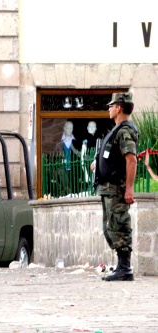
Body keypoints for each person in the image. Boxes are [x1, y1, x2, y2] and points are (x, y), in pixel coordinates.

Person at [93, 92, 138, 282]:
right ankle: (121, 267)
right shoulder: (118, 130)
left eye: (111, 106)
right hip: (109, 188)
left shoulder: (124, 131)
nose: (109, 109)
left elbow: (131, 160)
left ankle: (125, 268)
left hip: (117, 188)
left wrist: (129, 189)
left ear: (118, 108)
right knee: (112, 226)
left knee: (119, 225)